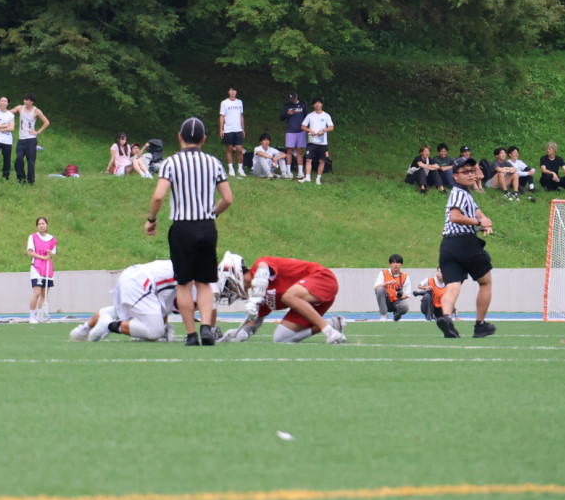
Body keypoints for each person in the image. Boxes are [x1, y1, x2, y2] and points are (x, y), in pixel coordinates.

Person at [145, 117, 233, 346]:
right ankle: (206, 327)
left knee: (184, 283)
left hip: (182, 228)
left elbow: (158, 196)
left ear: (179, 137)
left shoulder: (171, 163)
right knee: (204, 282)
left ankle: (192, 335)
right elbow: (227, 198)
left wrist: (151, 220)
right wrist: (212, 213)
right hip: (206, 227)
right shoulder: (214, 163)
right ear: (204, 139)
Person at [215, 253, 347, 344]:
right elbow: (251, 326)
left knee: (289, 297)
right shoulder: (258, 298)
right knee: (281, 338)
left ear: (235, 272)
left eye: (228, 285)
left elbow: (263, 269)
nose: (229, 290)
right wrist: (237, 334)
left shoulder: (260, 265)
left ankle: (329, 332)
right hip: (310, 302)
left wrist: (256, 297)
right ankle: (333, 324)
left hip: (323, 279)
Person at [435, 156, 496, 339]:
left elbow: (478, 213)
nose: (470, 174)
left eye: (472, 171)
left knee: (452, 286)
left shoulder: (466, 195)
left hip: (448, 246)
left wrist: (485, 222)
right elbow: (455, 216)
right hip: (465, 243)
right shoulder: (459, 193)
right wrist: (479, 222)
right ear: (455, 176)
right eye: (465, 172)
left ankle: (446, 318)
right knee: (486, 282)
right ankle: (480, 326)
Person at [70, 259, 193, 343]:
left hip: (133, 275)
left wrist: (164, 324)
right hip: (141, 282)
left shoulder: (183, 266)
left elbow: (164, 302)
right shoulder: (194, 280)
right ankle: (109, 325)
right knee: (155, 331)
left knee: (120, 312)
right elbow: (173, 303)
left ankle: (83, 330)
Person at [14, 93, 49, 185]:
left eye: (27, 100)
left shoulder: (36, 111)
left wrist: (37, 132)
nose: (25, 101)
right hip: (21, 139)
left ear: (31, 102)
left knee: (31, 161)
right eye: (24, 99)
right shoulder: (20, 108)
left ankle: (31, 180)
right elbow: (8, 113)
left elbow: (46, 122)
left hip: (31, 140)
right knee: (19, 159)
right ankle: (21, 178)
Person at [26, 217, 56, 324]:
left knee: (44, 294)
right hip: (37, 268)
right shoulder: (33, 237)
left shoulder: (52, 239)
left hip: (48, 268)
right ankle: (32, 316)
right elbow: (30, 252)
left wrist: (50, 254)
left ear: (47, 225)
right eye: (39, 224)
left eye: (43, 223)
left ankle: (40, 316)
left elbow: (53, 253)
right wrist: (43, 257)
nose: (41, 226)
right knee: (37, 292)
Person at [298, 98, 334, 185]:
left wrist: (323, 130)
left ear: (322, 104)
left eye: (319, 103)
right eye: (315, 103)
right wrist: (310, 130)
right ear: (313, 105)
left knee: (322, 160)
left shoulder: (326, 115)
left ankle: (318, 178)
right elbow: (303, 126)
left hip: (323, 143)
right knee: (308, 159)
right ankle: (307, 177)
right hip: (312, 142)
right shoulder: (310, 115)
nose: (317, 105)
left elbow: (331, 127)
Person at [373, 254, 412, 322]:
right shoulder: (384, 273)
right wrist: (387, 283)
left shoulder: (405, 276)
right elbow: (376, 288)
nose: (395, 265)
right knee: (380, 289)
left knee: (404, 307)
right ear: (390, 264)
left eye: (398, 262)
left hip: (396, 300)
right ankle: (383, 315)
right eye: (393, 262)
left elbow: (407, 294)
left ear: (401, 264)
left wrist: (400, 295)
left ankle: (396, 315)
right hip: (386, 300)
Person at [219, 86, 246, 178]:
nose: (232, 92)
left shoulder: (239, 102)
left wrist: (243, 128)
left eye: (234, 90)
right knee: (229, 148)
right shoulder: (224, 103)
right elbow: (222, 116)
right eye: (231, 90)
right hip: (228, 129)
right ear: (228, 92)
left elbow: (241, 115)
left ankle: (240, 168)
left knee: (239, 149)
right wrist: (221, 129)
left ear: (236, 92)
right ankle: (231, 168)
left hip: (238, 129)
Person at [280, 92, 308, 178]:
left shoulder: (303, 105)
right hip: (290, 130)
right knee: (289, 151)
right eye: (291, 99)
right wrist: (287, 114)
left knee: (299, 150)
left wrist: (305, 127)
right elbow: (282, 118)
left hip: (301, 130)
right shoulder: (287, 105)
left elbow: (307, 116)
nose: (292, 100)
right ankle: (288, 171)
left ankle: (300, 172)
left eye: (293, 98)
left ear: (297, 96)